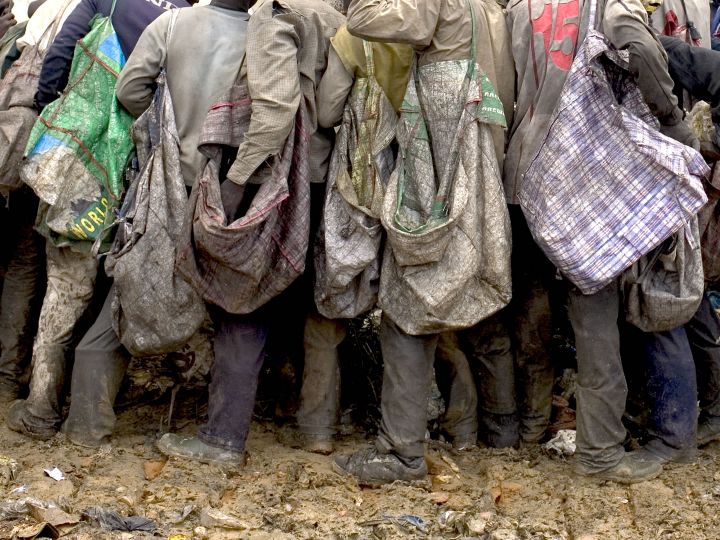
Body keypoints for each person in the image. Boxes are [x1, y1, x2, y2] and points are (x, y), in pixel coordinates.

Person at [152, 0, 344, 466]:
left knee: (240, 300)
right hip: (319, 176)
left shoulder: (274, 16)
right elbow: (332, 108)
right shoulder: (335, 20)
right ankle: (315, 426)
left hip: (270, 178)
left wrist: (236, 182)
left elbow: (275, 110)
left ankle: (223, 438)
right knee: (311, 302)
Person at [332, 0, 516, 485]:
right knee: (472, 296)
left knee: (407, 306)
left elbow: (363, 19)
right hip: (477, 172)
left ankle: (402, 453)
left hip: (439, 165)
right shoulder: (490, 14)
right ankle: (501, 432)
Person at [58, 0, 248, 449]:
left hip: (165, 182)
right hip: (227, 187)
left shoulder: (172, 22)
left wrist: (162, 124)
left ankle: (88, 422)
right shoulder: (261, 36)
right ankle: (223, 428)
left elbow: (130, 90)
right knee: (230, 312)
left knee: (130, 286)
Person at [5, 0, 190, 440]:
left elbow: (58, 60)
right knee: (115, 292)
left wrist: (60, 115)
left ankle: (41, 408)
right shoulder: (183, 14)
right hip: (146, 174)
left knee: (66, 289)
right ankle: (94, 406)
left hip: (88, 167)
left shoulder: (103, 0)